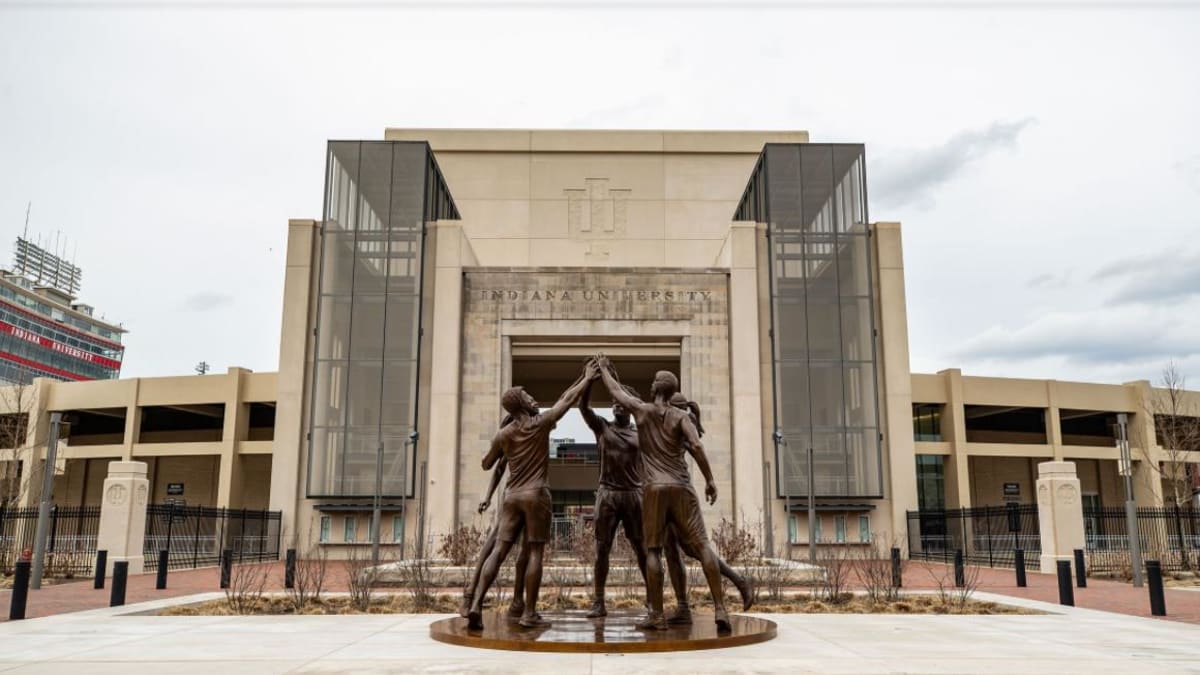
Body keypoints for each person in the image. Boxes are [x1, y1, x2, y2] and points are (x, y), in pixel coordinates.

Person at [595, 355, 733, 632]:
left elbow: (616, 391)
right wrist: (709, 480)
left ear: (655, 388)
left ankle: (656, 615)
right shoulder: (682, 416)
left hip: (654, 489)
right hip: (682, 486)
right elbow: (696, 446)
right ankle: (720, 608)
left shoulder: (642, 411)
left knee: (654, 550)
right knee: (703, 546)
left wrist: (603, 370)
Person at [466, 363, 596, 629]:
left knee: (499, 551)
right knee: (535, 551)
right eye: (527, 396)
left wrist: (499, 445)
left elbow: (486, 464)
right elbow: (567, 400)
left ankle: (476, 604)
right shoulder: (540, 424)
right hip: (536, 494)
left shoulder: (505, 434)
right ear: (520, 404)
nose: (531, 398)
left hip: (512, 496)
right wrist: (588, 379)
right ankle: (529, 613)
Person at [661, 392, 752, 625]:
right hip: (662, 494)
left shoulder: (679, 421)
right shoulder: (667, 422)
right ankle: (683, 606)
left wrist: (711, 481)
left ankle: (721, 607)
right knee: (674, 549)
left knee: (699, 547)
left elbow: (697, 447)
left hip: (680, 490)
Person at [578, 377, 649, 617]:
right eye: (614, 402)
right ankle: (598, 602)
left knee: (641, 548)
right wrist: (589, 380)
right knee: (602, 549)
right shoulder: (602, 427)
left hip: (633, 494)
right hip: (607, 493)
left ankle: (653, 599)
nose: (617, 405)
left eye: (621, 401)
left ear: (630, 405)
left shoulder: (641, 432)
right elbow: (583, 407)